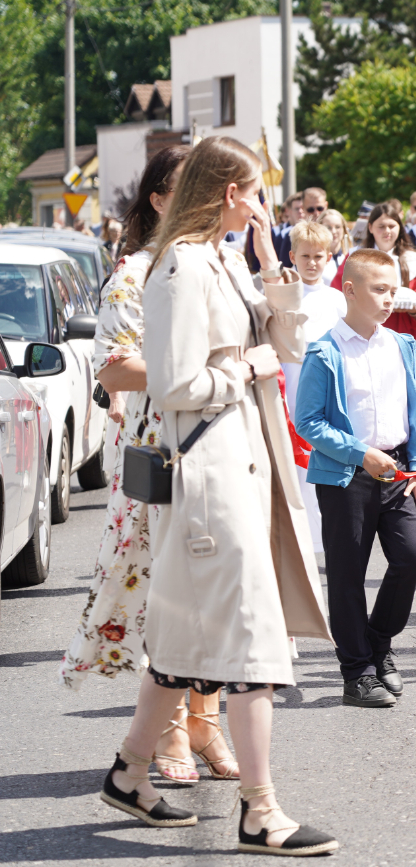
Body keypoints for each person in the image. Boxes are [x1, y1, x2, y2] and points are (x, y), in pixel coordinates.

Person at [98, 136, 336, 856]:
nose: (264, 204)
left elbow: (287, 347)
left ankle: (129, 770)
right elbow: (174, 386)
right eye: (256, 191)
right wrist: (245, 367)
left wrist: (273, 270)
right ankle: (260, 808)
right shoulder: (180, 268)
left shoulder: (228, 260)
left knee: (185, 642)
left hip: (243, 466)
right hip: (210, 475)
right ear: (230, 193)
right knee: (252, 644)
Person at [60, 145, 241, 787]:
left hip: (226, 443)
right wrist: (199, 376)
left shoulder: (227, 263)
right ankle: (165, 729)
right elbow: (114, 366)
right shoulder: (135, 272)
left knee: (218, 588)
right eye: (198, 189)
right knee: (160, 588)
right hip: (157, 448)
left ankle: (206, 717)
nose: (217, 202)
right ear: (160, 200)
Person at [295, 248, 416, 708]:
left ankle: (378, 642)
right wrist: (360, 453)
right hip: (345, 477)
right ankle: (357, 672)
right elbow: (309, 421)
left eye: (394, 289)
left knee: (413, 555)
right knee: (348, 574)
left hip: (397, 472)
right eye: (379, 289)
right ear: (349, 290)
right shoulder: (325, 350)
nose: (390, 298)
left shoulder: (400, 345)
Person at [282, 220, 348, 553]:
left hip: (327, 383)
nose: (311, 263)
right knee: (294, 458)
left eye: (318, 256)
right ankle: (300, 536)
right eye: (305, 256)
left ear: (329, 256)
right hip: (292, 382)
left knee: (323, 454)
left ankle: (327, 537)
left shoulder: (337, 299)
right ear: (292, 256)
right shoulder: (284, 296)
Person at [330, 199, 416, 339]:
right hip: (361, 333)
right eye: (381, 226)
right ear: (370, 227)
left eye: (392, 226)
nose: (387, 231)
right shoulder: (355, 257)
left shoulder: (415, 261)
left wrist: (415, 308)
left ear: (400, 228)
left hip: (401, 333)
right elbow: (337, 294)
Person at [320, 208, 350, 287]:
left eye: (337, 227)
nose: (333, 231)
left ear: (343, 229)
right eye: (328, 227)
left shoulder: (351, 256)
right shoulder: (316, 260)